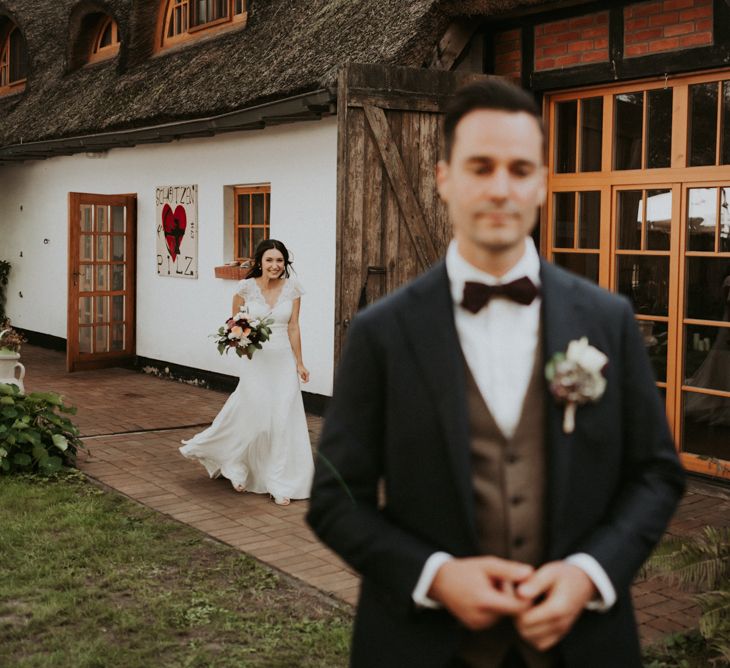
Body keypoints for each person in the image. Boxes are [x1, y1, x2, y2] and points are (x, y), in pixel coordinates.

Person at [307, 79, 685, 668]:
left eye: (519, 168)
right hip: (422, 648)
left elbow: (656, 475)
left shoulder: (607, 320)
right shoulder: (380, 333)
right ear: (443, 179)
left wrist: (588, 575)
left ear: (541, 181)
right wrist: (435, 576)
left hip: (582, 649)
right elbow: (335, 499)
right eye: (480, 167)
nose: (501, 189)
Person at [180, 239, 314, 506]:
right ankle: (235, 463)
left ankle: (278, 480)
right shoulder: (245, 289)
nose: (275, 266)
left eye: (279, 260)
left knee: (282, 419)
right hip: (257, 361)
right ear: (259, 262)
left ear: (285, 262)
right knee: (255, 415)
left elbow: (293, 327)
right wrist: (239, 343)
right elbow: (235, 325)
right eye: (269, 260)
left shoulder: (293, 289)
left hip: (283, 361)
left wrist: (300, 362)